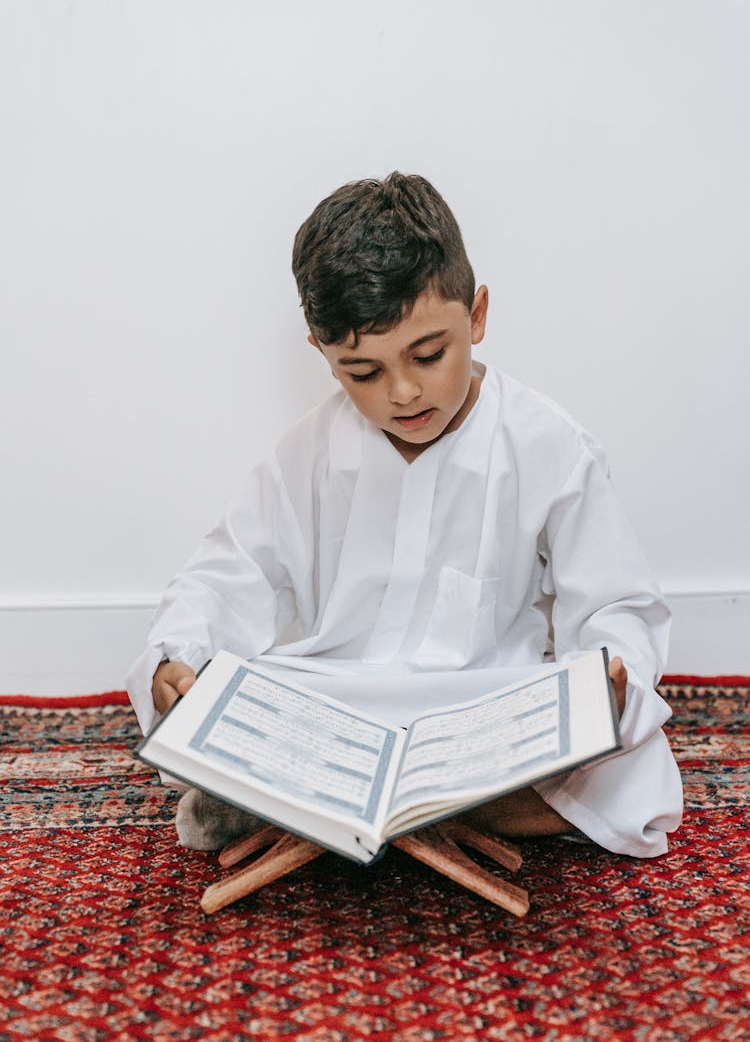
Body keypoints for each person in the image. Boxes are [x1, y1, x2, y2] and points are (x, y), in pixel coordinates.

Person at [127, 172, 683, 858]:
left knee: (636, 764)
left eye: (429, 354)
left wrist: (611, 674)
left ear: (476, 315)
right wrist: (176, 659)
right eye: (363, 372)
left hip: (488, 712)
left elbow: (618, 604)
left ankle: (314, 810)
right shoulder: (309, 451)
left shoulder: (550, 446)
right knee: (233, 705)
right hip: (340, 705)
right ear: (322, 356)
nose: (405, 390)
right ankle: (424, 812)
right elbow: (224, 574)